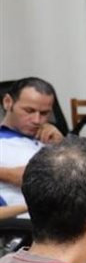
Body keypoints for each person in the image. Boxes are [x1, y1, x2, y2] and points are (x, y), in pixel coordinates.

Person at [0, 77, 64, 215]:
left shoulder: (52, 139)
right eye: (29, 111)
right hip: (21, 223)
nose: (37, 120)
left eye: (44, 113)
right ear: (7, 102)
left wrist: (63, 145)